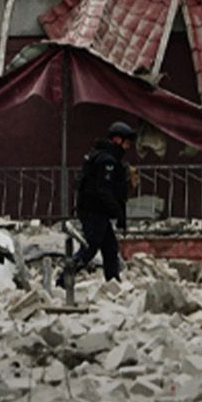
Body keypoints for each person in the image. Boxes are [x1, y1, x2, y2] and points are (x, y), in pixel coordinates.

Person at [65, 121, 137, 292]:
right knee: (89, 248)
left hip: (97, 212)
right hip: (94, 211)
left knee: (110, 248)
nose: (128, 146)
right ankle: (64, 280)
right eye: (127, 142)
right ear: (118, 140)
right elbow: (104, 190)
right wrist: (118, 212)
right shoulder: (106, 160)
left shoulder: (102, 156)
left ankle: (114, 283)